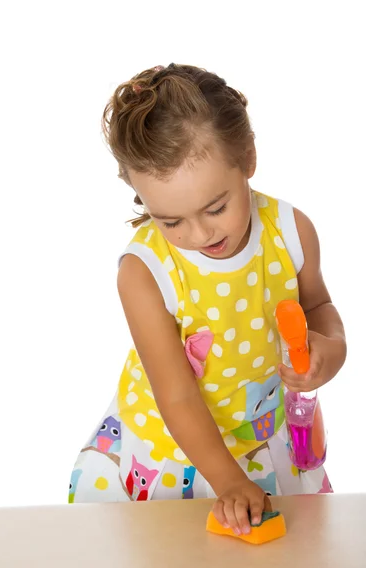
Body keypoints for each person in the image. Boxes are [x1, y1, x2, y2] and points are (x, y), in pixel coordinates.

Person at [69, 63, 346, 536]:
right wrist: (228, 482)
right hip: (176, 452)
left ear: (249, 158)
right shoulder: (144, 274)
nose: (198, 234)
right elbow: (175, 394)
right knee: (179, 566)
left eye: (216, 207)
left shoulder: (291, 231)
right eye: (170, 221)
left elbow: (318, 306)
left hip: (261, 437)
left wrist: (331, 351)